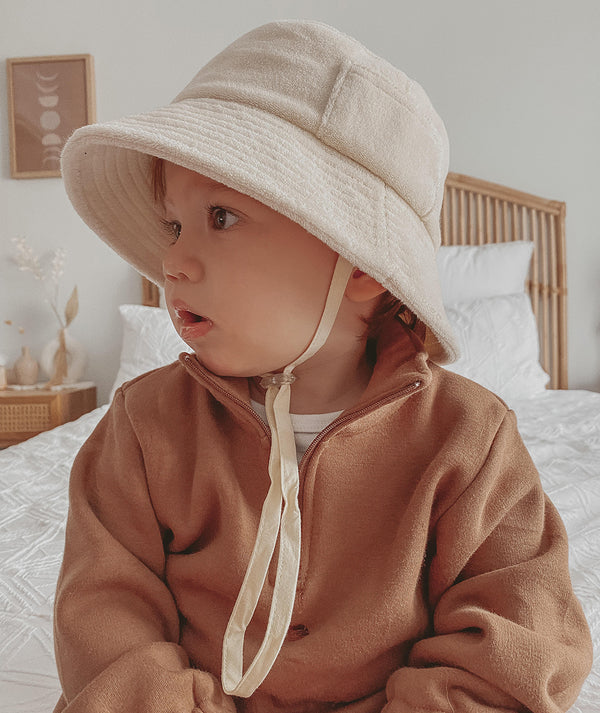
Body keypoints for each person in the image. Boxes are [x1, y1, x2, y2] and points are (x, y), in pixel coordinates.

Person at [53, 19, 592, 713]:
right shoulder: (141, 429)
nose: (172, 263)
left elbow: (519, 645)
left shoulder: (470, 439)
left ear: (362, 263)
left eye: (220, 217)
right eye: (173, 224)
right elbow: (107, 629)